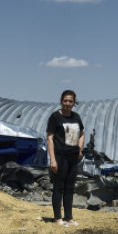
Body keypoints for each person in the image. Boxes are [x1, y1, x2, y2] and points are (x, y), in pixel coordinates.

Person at [46, 89, 84, 226]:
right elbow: (50, 139)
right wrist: (53, 159)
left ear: (74, 103)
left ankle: (69, 217)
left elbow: (81, 134)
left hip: (73, 157)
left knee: (70, 188)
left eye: (71, 101)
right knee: (59, 187)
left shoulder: (76, 117)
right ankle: (58, 218)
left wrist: (80, 149)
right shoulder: (55, 117)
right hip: (60, 156)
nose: (68, 103)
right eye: (65, 101)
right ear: (61, 101)